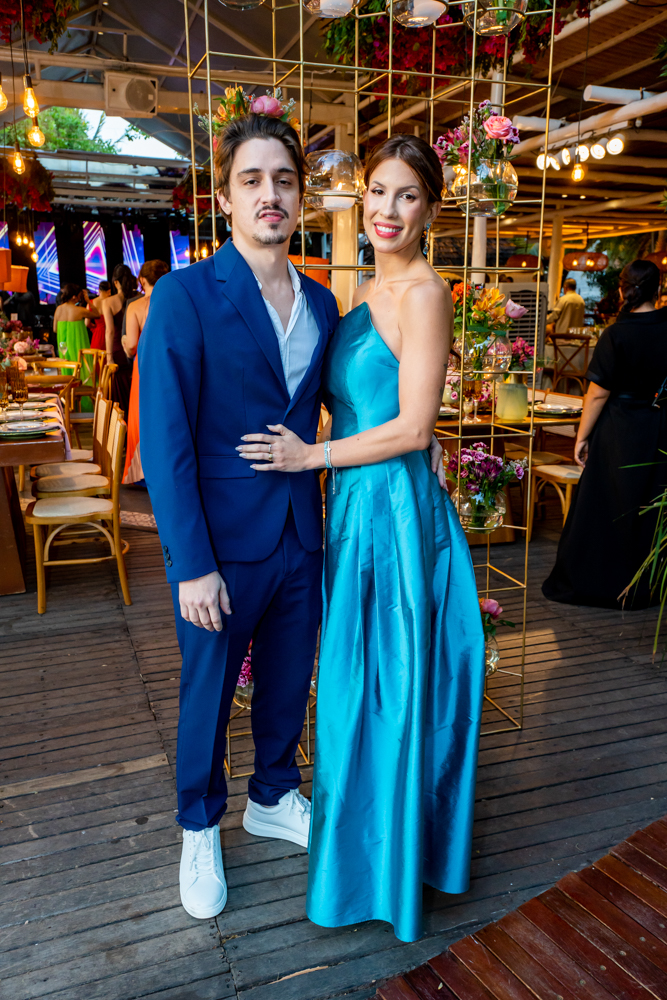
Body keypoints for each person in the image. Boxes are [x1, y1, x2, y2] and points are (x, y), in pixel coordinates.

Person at [238, 134, 485, 942]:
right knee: (352, 689)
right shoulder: (358, 293)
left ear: (431, 211)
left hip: (393, 519)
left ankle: (385, 870)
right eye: (378, 191)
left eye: (407, 195)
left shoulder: (424, 294)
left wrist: (311, 456)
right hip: (351, 511)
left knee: (388, 690)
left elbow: (413, 428)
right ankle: (360, 859)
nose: (387, 209)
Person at [138, 106, 344, 922]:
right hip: (219, 545)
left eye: (284, 181)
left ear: (300, 198)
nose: (270, 194)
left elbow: (343, 406)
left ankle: (271, 795)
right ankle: (198, 825)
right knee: (208, 691)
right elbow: (165, 443)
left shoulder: (323, 302)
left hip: (299, 530)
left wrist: (416, 435)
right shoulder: (184, 295)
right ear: (223, 198)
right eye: (252, 180)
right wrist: (190, 563)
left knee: (289, 679)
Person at [543, 259, 667, 609]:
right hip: (659, 426)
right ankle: (647, 585)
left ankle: (604, 584)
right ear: (658, 289)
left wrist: (581, 437)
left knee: (609, 503)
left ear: (622, 290)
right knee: (650, 504)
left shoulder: (616, 334)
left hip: (619, 430)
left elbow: (597, 394)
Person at [122, 259, 169, 485]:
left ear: (142, 280)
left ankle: (141, 472)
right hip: (168, 363)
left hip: (144, 365)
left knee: (141, 414)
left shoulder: (136, 306)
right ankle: (165, 468)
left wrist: (123, 340)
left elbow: (132, 345)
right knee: (165, 413)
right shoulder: (171, 301)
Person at [103, 264, 136, 417]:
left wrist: (109, 357)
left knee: (119, 398)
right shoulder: (137, 298)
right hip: (135, 350)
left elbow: (109, 331)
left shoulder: (108, 302)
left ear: (116, 282)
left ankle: (121, 427)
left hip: (118, 352)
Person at [53, 283, 98, 360]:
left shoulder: (58, 309)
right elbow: (97, 315)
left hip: (63, 349)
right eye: (79, 296)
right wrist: (88, 301)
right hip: (78, 348)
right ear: (74, 297)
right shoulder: (80, 310)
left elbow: (55, 329)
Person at [87, 280, 112, 351]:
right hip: (110, 334)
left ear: (99, 290)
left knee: (96, 356)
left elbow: (86, 323)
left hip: (97, 334)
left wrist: (95, 328)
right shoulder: (112, 302)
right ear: (109, 290)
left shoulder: (91, 303)